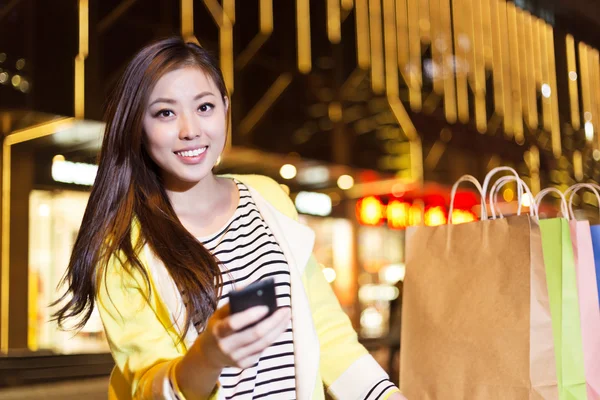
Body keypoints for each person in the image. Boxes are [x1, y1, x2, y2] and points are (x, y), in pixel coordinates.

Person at [53, 37, 407, 400]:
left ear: (225, 108)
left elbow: (329, 335)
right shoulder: (123, 250)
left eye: (204, 107)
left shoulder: (268, 198)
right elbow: (148, 388)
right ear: (137, 128)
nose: (190, 129)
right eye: (165, 113)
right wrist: (208, 355)